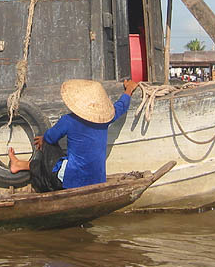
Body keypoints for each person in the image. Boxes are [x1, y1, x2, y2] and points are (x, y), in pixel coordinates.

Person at [8, 78, 139, 192]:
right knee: (58, 153)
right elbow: (120, 107)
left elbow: (50, 137)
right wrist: (128, 91)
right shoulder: (105, 119)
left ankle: (21, 165)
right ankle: (20, 164)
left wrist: (44, 139)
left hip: (72, 181)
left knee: (48, 142)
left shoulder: (68, 120)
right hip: (97, 179)